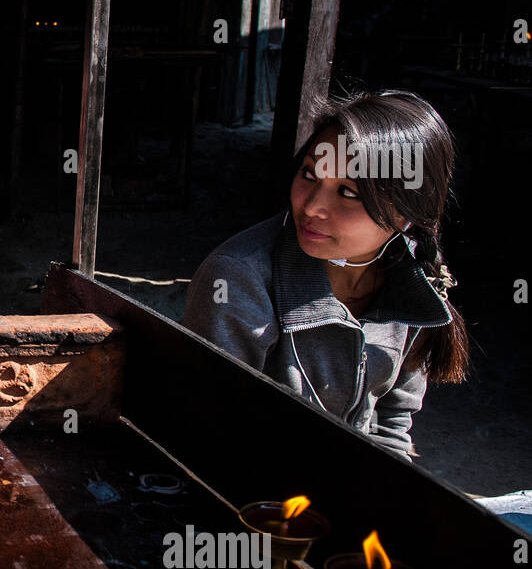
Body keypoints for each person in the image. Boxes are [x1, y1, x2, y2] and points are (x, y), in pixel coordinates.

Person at [182, 90, 469, 458]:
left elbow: (392, 420)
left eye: (347, 192)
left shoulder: (412, 282)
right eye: (308, 174)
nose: (313, 206)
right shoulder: (239, 280)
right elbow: (213, 432)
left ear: (404, 214)